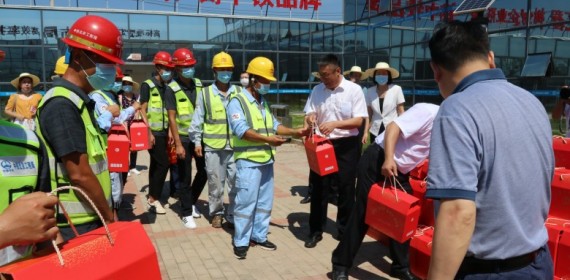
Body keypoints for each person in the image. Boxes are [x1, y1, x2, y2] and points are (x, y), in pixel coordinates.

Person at [426, 20, 554, 279]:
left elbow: (457, 212)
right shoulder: (531, 101)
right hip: (538, 263)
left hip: (488, 271)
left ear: (436, 70)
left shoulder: (456, 110)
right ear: (491, 57)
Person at [35, 15, 121, 240]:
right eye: (106, 62)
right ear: (81, 57)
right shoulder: (62, 104)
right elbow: (80, 174)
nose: (111, 70)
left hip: (90, 215)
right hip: (75, 224)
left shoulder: (80, 100)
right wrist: (109, 217)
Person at [330, 103, 439, 280]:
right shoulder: (428, 111)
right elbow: (393, 127)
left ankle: (400, 267)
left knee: (405, 216)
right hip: (379, 159)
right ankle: (340, 263)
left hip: (400, 171)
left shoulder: (448, 128)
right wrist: (388, 159)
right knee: (363, 213)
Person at [227, 56, 308, 259]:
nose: (268, 84)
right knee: (246, 202)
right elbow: (241, 131)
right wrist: (268, 140)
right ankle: (241, 241)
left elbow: (274, 125)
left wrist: (295, 132)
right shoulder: (237, 101)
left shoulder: (263, 102)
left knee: (264, 202)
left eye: (270, 81)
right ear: (253, 79)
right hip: (248, 161)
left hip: (266, 161)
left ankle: (259, 235)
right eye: (265, 80)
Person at [303, 54, 368, 249]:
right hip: (323, 144)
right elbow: (308, 112)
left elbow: (359, 120)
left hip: (347, 145)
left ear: (337, 71)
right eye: (321, 75)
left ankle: (344, 231)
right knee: (319, 188)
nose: (323, 79)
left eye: (326, 75)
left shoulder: (354, 90)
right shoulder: (317, 90)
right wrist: (311, 117)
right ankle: (315, 231)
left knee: (346, 188)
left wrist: (335, 124)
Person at [189, 51, 239, 228]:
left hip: (235, 147)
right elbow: (198, 119)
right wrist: (196, 141)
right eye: (221, 69)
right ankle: (216, 213)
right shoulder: (205, 93)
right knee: (215, 183)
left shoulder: (239, 92)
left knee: (235, 184)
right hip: (212, 146)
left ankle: (232, 214)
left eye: (228, 69)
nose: (225, 72)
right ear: (214, 71)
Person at [165, 47, 208, 229]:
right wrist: (178, 144)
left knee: (205, 170)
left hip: (199, 137)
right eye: (186, 67)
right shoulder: (171, 89)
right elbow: (172, 119)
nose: (190, 69)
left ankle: (190, 201)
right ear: (178, 69)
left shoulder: (199, 84)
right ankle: (186, 212)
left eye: (191, 65)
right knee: (184, 176)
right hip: (182, 138)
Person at [90, 66, 139, 222]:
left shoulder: (109, 95)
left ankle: (115, 210)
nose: (117, 83)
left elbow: (117, 116)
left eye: (118, 80)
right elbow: (110, 120)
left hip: (114, 144)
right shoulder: (97, 96)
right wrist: (131, 109)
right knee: (112, 181)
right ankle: (112, 216)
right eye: (115, 80)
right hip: (105, 145)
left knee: (117, 179)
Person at [140, 51, 175, 215]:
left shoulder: (167, 86)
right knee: (163, 164)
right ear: (158, 67)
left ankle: (152, 197)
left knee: (155, 165)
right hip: (153, 132)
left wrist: (169, 131)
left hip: (163, 132)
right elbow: (142, 110)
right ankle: (153, 199)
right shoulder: (147, 85)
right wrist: (148, 132)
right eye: (165, 68)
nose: (168, 71)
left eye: (170, 68)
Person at [364, 62, 405, 143]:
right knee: (376, 153)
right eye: (379, 73)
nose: (381, 75)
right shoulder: (369, 91)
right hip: (375, 130)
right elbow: (368, 114)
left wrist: (403, 128)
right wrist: (365, 132)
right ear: (375, 76)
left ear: (388, 76)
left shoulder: (396, 89)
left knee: (390, 154)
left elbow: (401, 111)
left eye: (384, 73)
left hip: (392, 128)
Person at [119, 76, 142, 176]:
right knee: (125, 145)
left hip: (134, 125)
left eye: (129, 84)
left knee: (134, 146)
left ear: (132, 85)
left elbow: (139, 108)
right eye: (125, 84)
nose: (127, 86)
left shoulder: (136, 96)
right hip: (123, 124)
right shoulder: (119, 96)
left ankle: (133, 166)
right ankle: (125, 166)